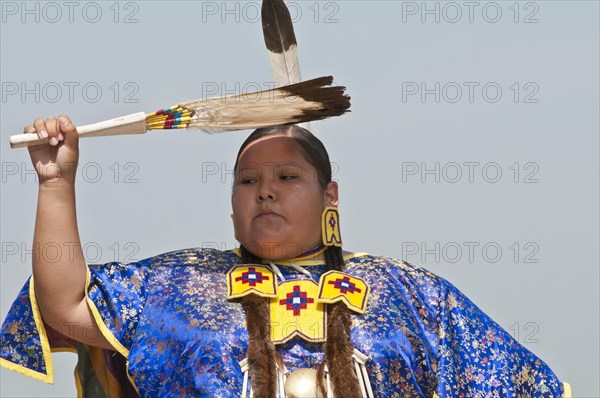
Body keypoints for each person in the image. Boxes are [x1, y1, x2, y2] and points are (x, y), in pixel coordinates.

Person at [1, 115, 570, 397]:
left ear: (330, 195)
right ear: (231, 203)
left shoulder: (411, 293)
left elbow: (521, 384)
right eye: (248, 179)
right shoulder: (179, 282)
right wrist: (56, 183)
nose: (265, 190)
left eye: (287, 176)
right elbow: (65, 304)